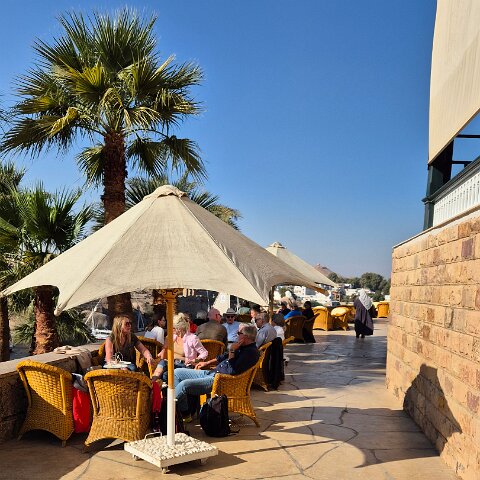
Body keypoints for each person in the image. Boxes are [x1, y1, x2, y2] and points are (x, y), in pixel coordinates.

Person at [173, 324, 260, 420]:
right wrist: (206, 363)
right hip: (211, 373)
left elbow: (232, 370)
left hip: (220, 380)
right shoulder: (241, 347)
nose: (237, 334)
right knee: (176, 373)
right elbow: (223, 357)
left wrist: (232, 351)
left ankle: (168, 410)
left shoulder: (250, 353)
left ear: (245, 337)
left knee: (184, 385)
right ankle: (185, 412)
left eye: (239, 333)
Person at [151, 313, 208, 381]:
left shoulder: (192, 338)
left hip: (185, 366)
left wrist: (195, 360)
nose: (171, 330)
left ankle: (155, 383)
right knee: (163, 363)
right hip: (172, 363)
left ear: (179, 328)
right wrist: (164, 349)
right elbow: (163, 353)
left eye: (173, 328)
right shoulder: (172, 337)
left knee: (166, 375)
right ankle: (152, 383)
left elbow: (204, 353)